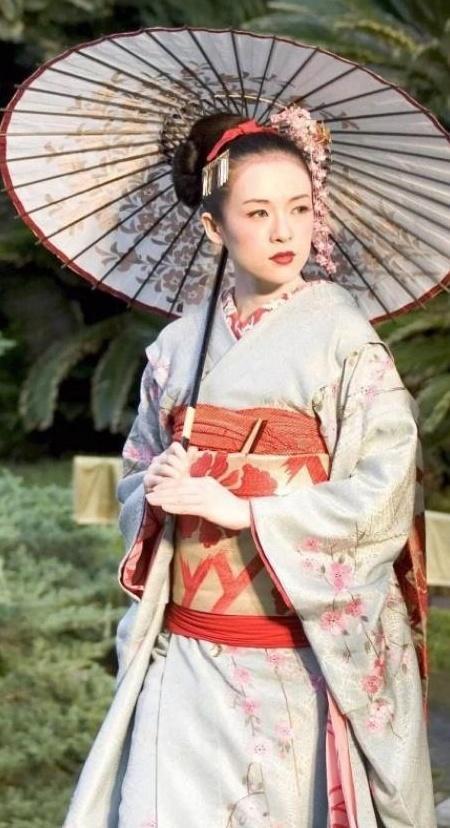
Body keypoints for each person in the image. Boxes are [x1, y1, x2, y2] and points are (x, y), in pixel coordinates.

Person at [63, 111, 435, 828]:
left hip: (297, 650)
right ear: (214, 227)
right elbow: (136, 472)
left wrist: (247, 508)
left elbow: (384, 487)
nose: (284, 231)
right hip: (188, 649)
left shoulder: (345, 341)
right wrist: (161, 482)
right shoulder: (176, 349)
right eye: (258, 213)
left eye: (300, 209)